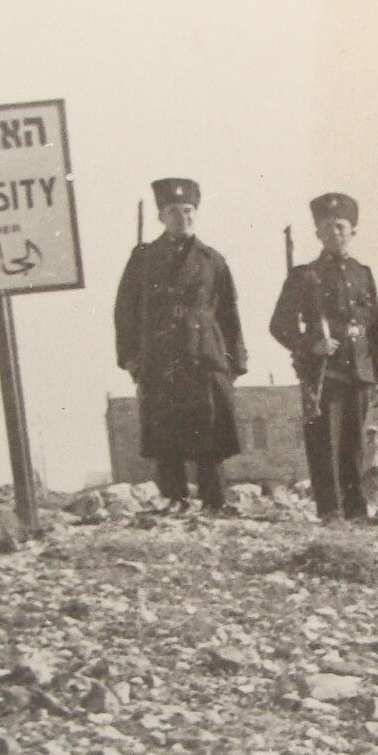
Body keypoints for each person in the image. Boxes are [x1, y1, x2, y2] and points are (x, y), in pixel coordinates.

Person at [114, 177, 247, 516]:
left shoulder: (212, 260)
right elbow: (125, 310)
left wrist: (235, 361)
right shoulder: (144, 258)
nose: (182, 218)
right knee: (166, 432)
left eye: (188, 210)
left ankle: (215, 501)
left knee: (210, 432)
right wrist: (130, 357)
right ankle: (174, 499)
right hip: (161, 357)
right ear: (161, 216)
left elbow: (228, 313)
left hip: (203, 356)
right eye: (173, 211)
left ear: (196, 214)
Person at [270, 192, 378, 522]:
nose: (335, 233)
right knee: (325, 444)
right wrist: (312, 345)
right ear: (317, 233)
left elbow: (375, 327)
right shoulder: (306, 275)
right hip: (325, 373)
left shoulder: (363, 274)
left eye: (341, 227)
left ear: (353, 231)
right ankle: (331, 510)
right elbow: (279, 326)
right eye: (327, 227)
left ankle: (356, 509)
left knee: (354, 444)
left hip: (358, 371)